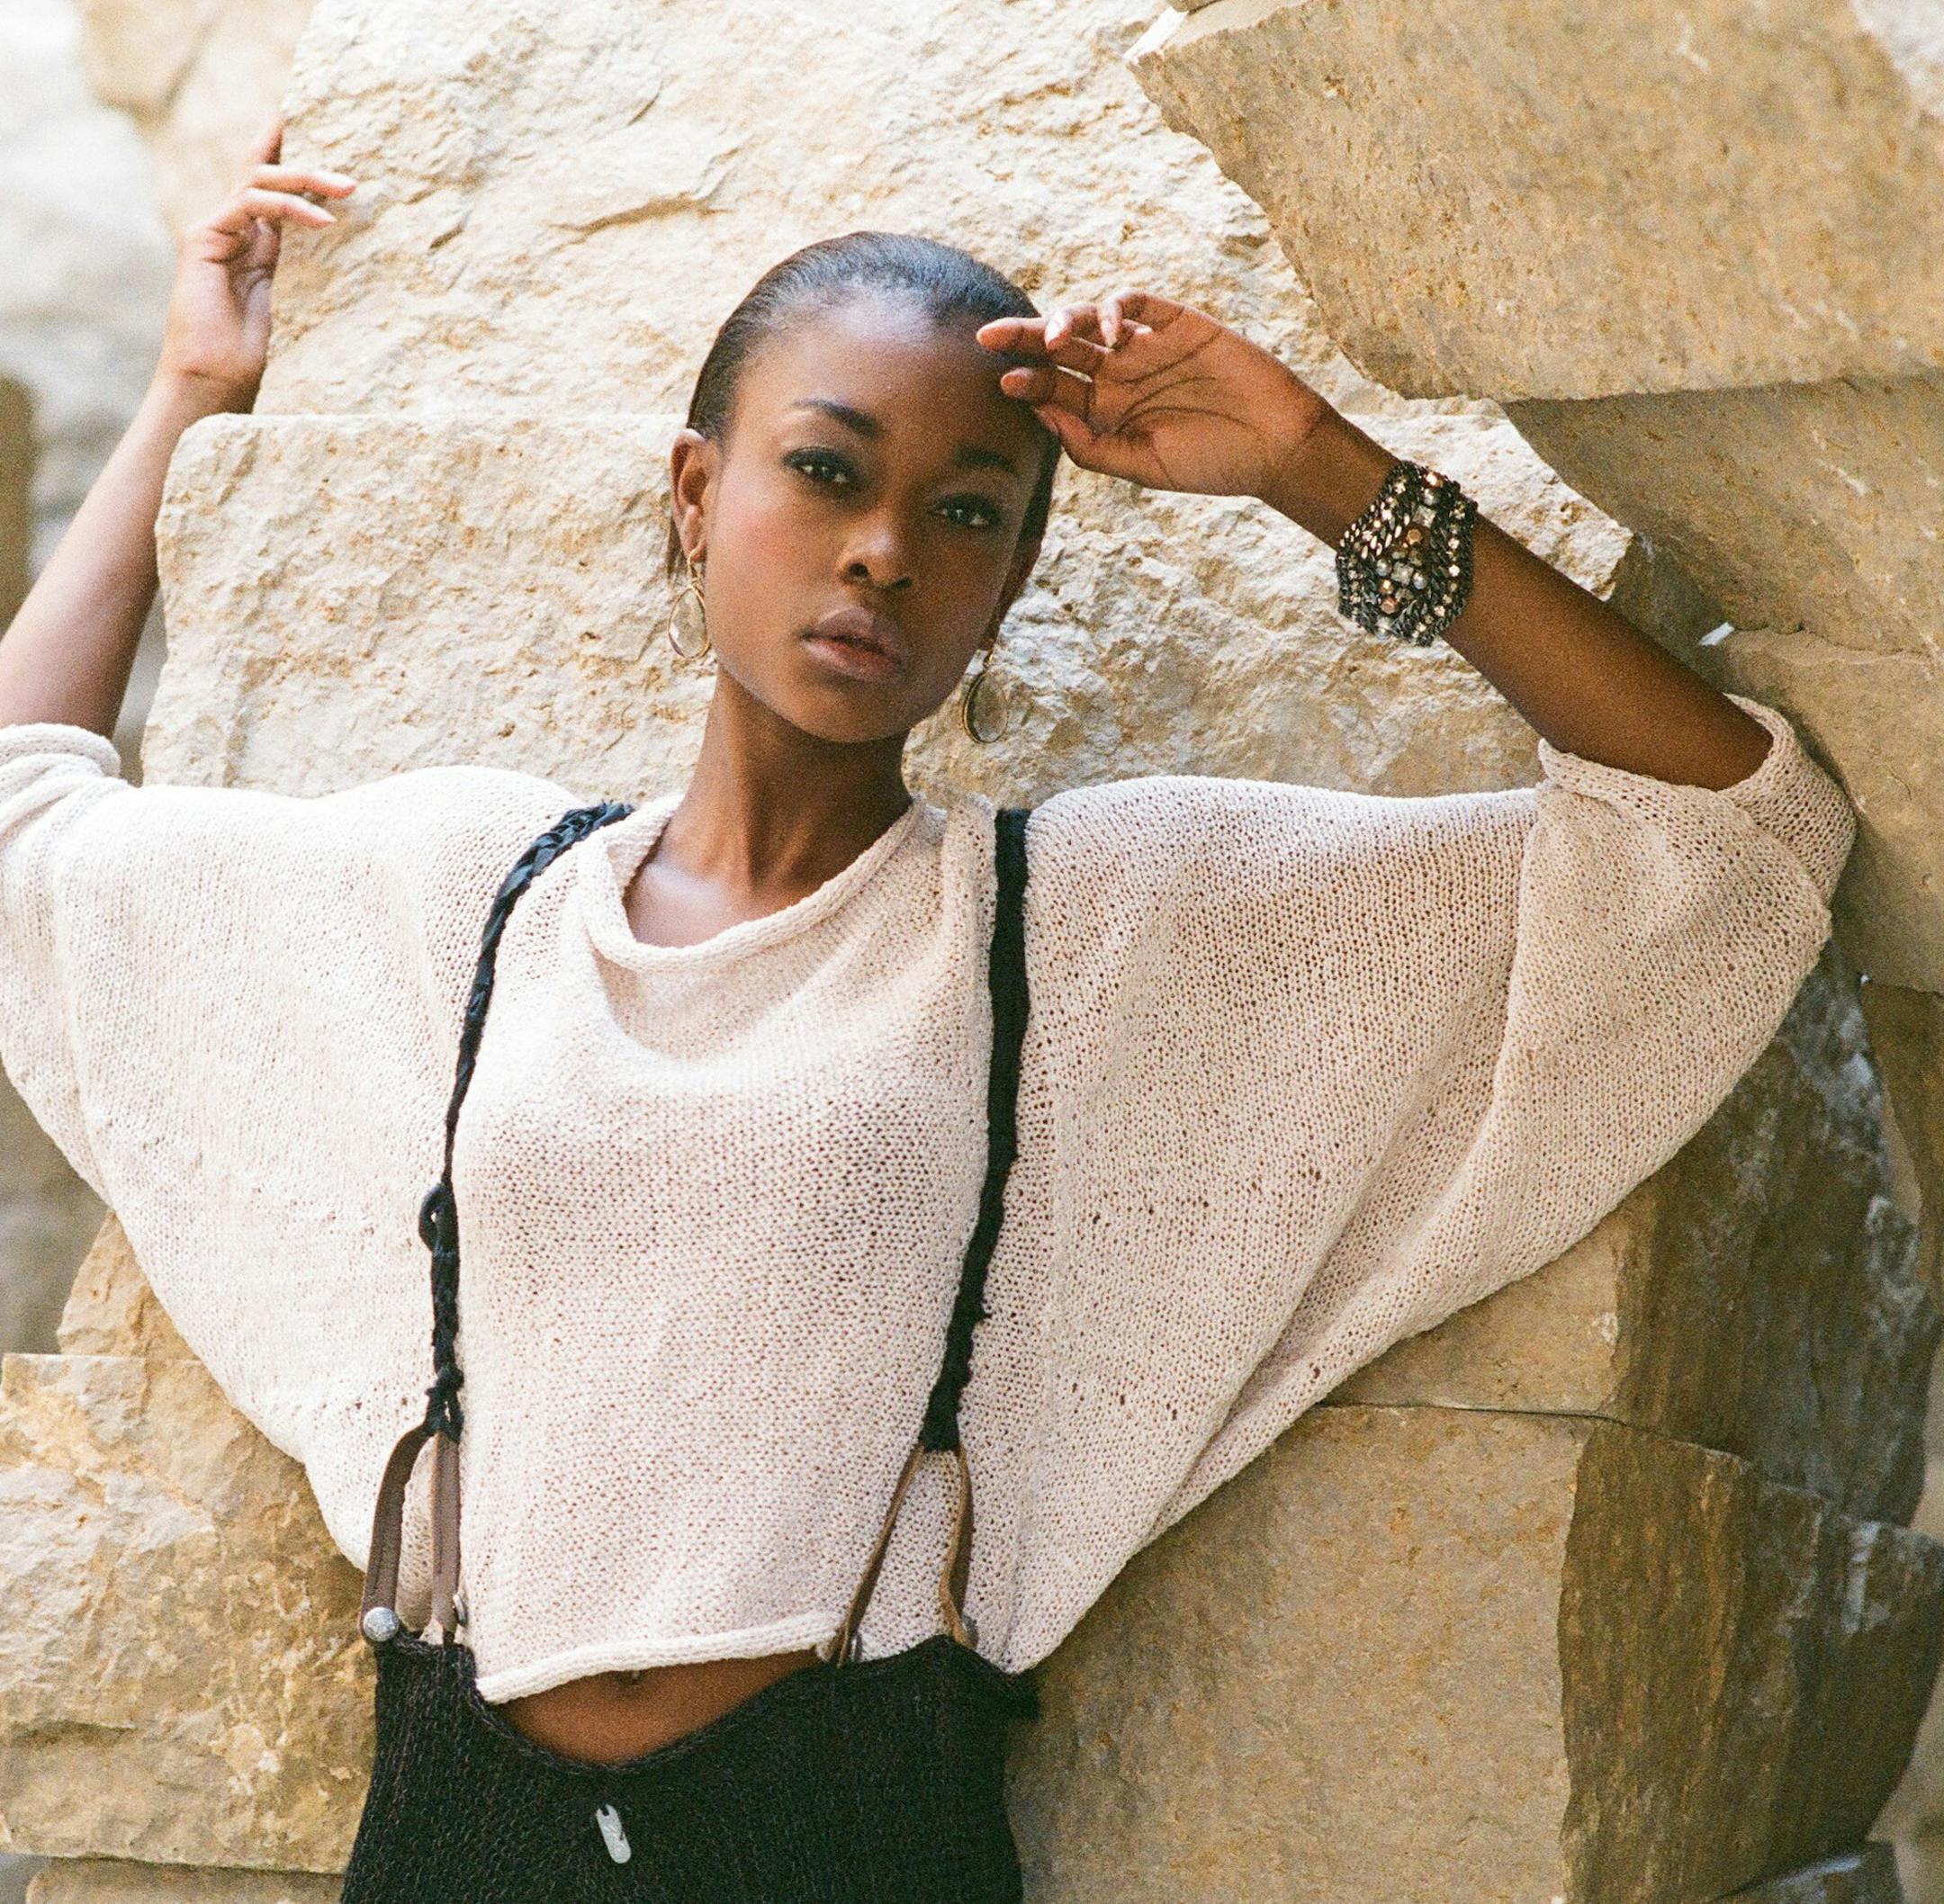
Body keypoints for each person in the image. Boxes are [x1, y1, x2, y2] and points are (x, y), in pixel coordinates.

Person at [0, 120, 1855, 1788]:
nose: (884, 551)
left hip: (853, 1818)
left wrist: (1312, 461)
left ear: (1008, 584)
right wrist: (189, 395)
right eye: (826, 471)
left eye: (965, 513)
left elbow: (1723, 829)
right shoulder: (467, 902)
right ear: (693, 492)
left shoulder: (1082, 930)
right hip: (463, 1819)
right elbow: (21, 822)